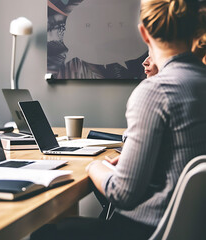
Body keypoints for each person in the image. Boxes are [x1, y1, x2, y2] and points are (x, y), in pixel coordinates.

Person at [33, 0, 206, 239]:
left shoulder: (156, 91)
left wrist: (94, 166)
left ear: (144, 33)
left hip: (151, 228)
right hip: (194, 229)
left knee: (46, 234)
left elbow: (122, 193)